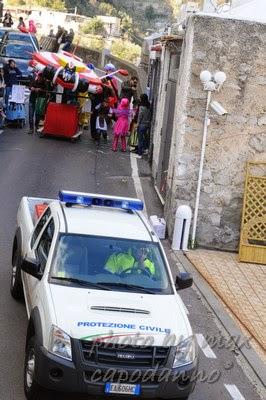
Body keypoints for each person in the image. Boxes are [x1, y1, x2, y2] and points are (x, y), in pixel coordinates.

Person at [135, 94, 151, 158]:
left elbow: (140, 116)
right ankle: (145, 148)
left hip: (141, 124)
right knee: (145, 137)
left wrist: (137, 124)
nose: (139, 99)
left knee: (140, 138)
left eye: (140, 98)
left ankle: (140, 152)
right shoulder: (148, 106)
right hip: (147, 124)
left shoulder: (141, 107)